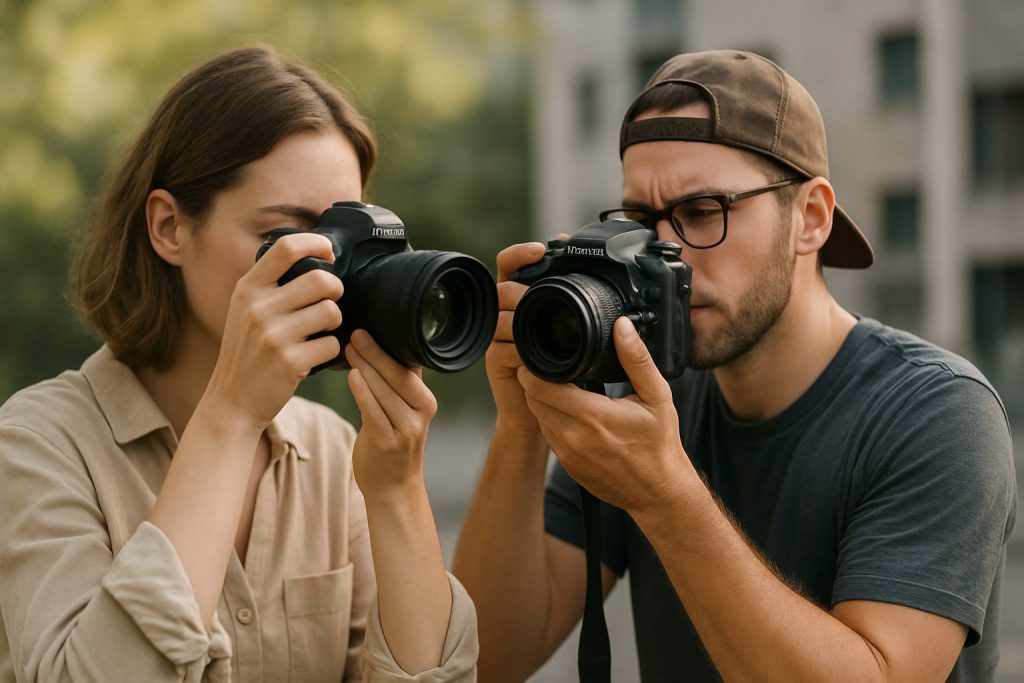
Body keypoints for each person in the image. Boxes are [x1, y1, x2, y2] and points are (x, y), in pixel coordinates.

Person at [454, 49, 1016, 682]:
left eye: (702, 213)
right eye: (639, 222)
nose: (665, 256)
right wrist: (521, 424)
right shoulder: (644, 393)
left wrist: (667, 496)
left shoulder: (936, 412)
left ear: (811, 218)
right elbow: (488, 660)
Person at [0, 46, 476, 682]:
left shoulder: (334, 456)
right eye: (289, 238)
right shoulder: (37, 446)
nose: (328, 274)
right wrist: (230, 415)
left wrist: (395, 490)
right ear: (169, 226)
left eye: (348, 238)